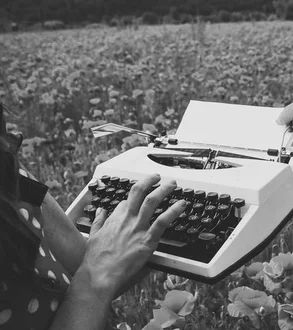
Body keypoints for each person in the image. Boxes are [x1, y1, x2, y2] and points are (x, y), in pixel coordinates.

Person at [0, 105, 187, 330]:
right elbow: (92, 275)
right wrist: (92, 279)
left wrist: (164, 230)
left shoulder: (7, 166)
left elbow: (90, 265)